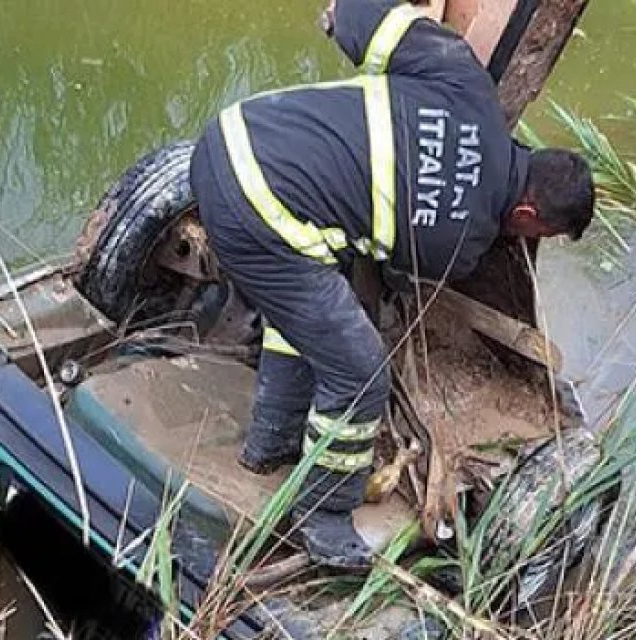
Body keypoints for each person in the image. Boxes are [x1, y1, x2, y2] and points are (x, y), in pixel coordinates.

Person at [189, 0, 595, 569]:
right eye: (542, 233)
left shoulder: (467, 85)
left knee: (307, 313)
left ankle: (271, 442)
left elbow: (367, 18)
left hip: (230, 137)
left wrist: (339, 18)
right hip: (259, 212)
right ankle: (324, 517)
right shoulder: (463, 244)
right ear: (528, 216)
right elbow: (393, 281)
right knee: (360, 372)